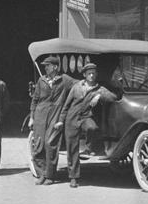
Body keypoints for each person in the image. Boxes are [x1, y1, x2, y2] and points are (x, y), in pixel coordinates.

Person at [53, 63, 118, 188]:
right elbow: (66, 105)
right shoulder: (77, 87)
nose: (92, 76)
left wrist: (99, 96)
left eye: (94, 73)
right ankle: (73, 177)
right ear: (85, 75)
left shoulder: (99, 89)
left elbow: (113, 98)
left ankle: (89, 149)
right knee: (72, 148)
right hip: (71, 118)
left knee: (92, 128)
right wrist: (61, 120)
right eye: (89, 74)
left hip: (86, 117)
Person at [29, 57, 70, 185]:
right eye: (45, 66)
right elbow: (35, 100)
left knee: (50, 144)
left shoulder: (64, 80)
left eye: (48, 65)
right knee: (38, 146)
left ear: (55, 67)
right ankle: (41, 174)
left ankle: (50, 175)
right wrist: (31, 117)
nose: (45, 68)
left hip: (55, 115)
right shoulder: (41, 81)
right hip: (40, 115)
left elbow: (79, 83)